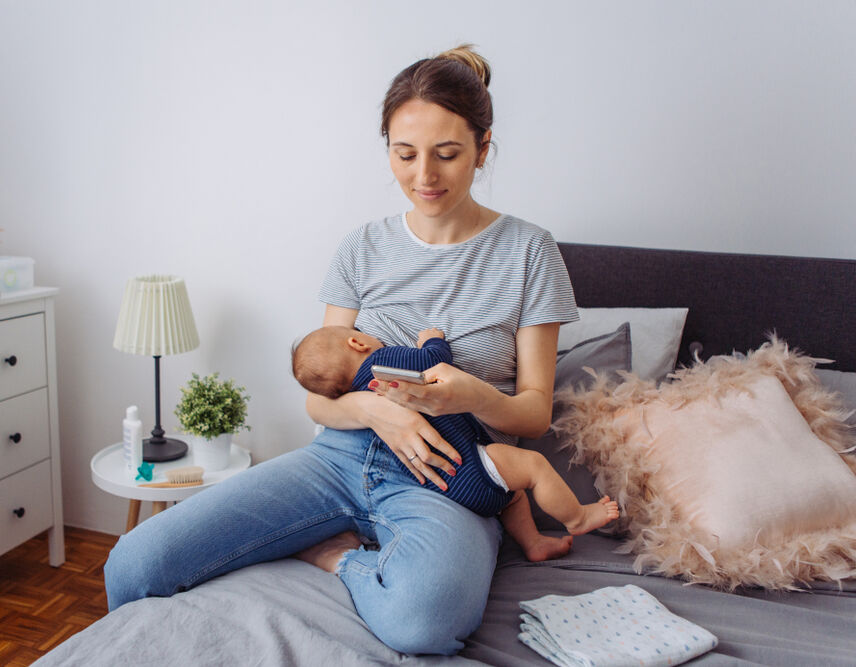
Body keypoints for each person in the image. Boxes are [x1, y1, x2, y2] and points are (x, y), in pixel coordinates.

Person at [105, 44, 581, 656]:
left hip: (446, 479)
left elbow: (535, 412)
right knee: (135, 564)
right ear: (387, 148)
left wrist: (475, 396)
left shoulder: (529, 252)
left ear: (483, 149)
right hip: (337, 459)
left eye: (447, 155)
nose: (424, 177)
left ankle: (340, 559)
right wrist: (376, 410)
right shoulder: (360, 248)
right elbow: (320, 401)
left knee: (424, 621)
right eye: (404, 154)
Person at [291, 325, 619, 535]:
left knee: (512, 495)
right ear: (357, 341)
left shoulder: (356, 394)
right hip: (469, 468)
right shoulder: (387, 362)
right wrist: (432, 340)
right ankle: (576, 518)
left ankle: (533, 544)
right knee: (533, 468)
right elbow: (433, 362)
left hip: (442, 486)